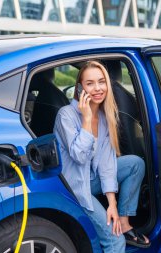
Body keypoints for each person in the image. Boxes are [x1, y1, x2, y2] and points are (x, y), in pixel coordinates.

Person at [53, 60, 150, 252]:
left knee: (135, 164)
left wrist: (112, 205)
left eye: (101, 81)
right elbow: (79, 156)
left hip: (92, 178)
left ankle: (124, 222)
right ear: (80, 88)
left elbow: (107, 164)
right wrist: (87, 120)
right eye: (90, 83)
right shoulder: (66, 115)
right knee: (115, 241)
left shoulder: (105, 118)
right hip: (75, 186)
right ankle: (117, 235)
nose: (97, 88)